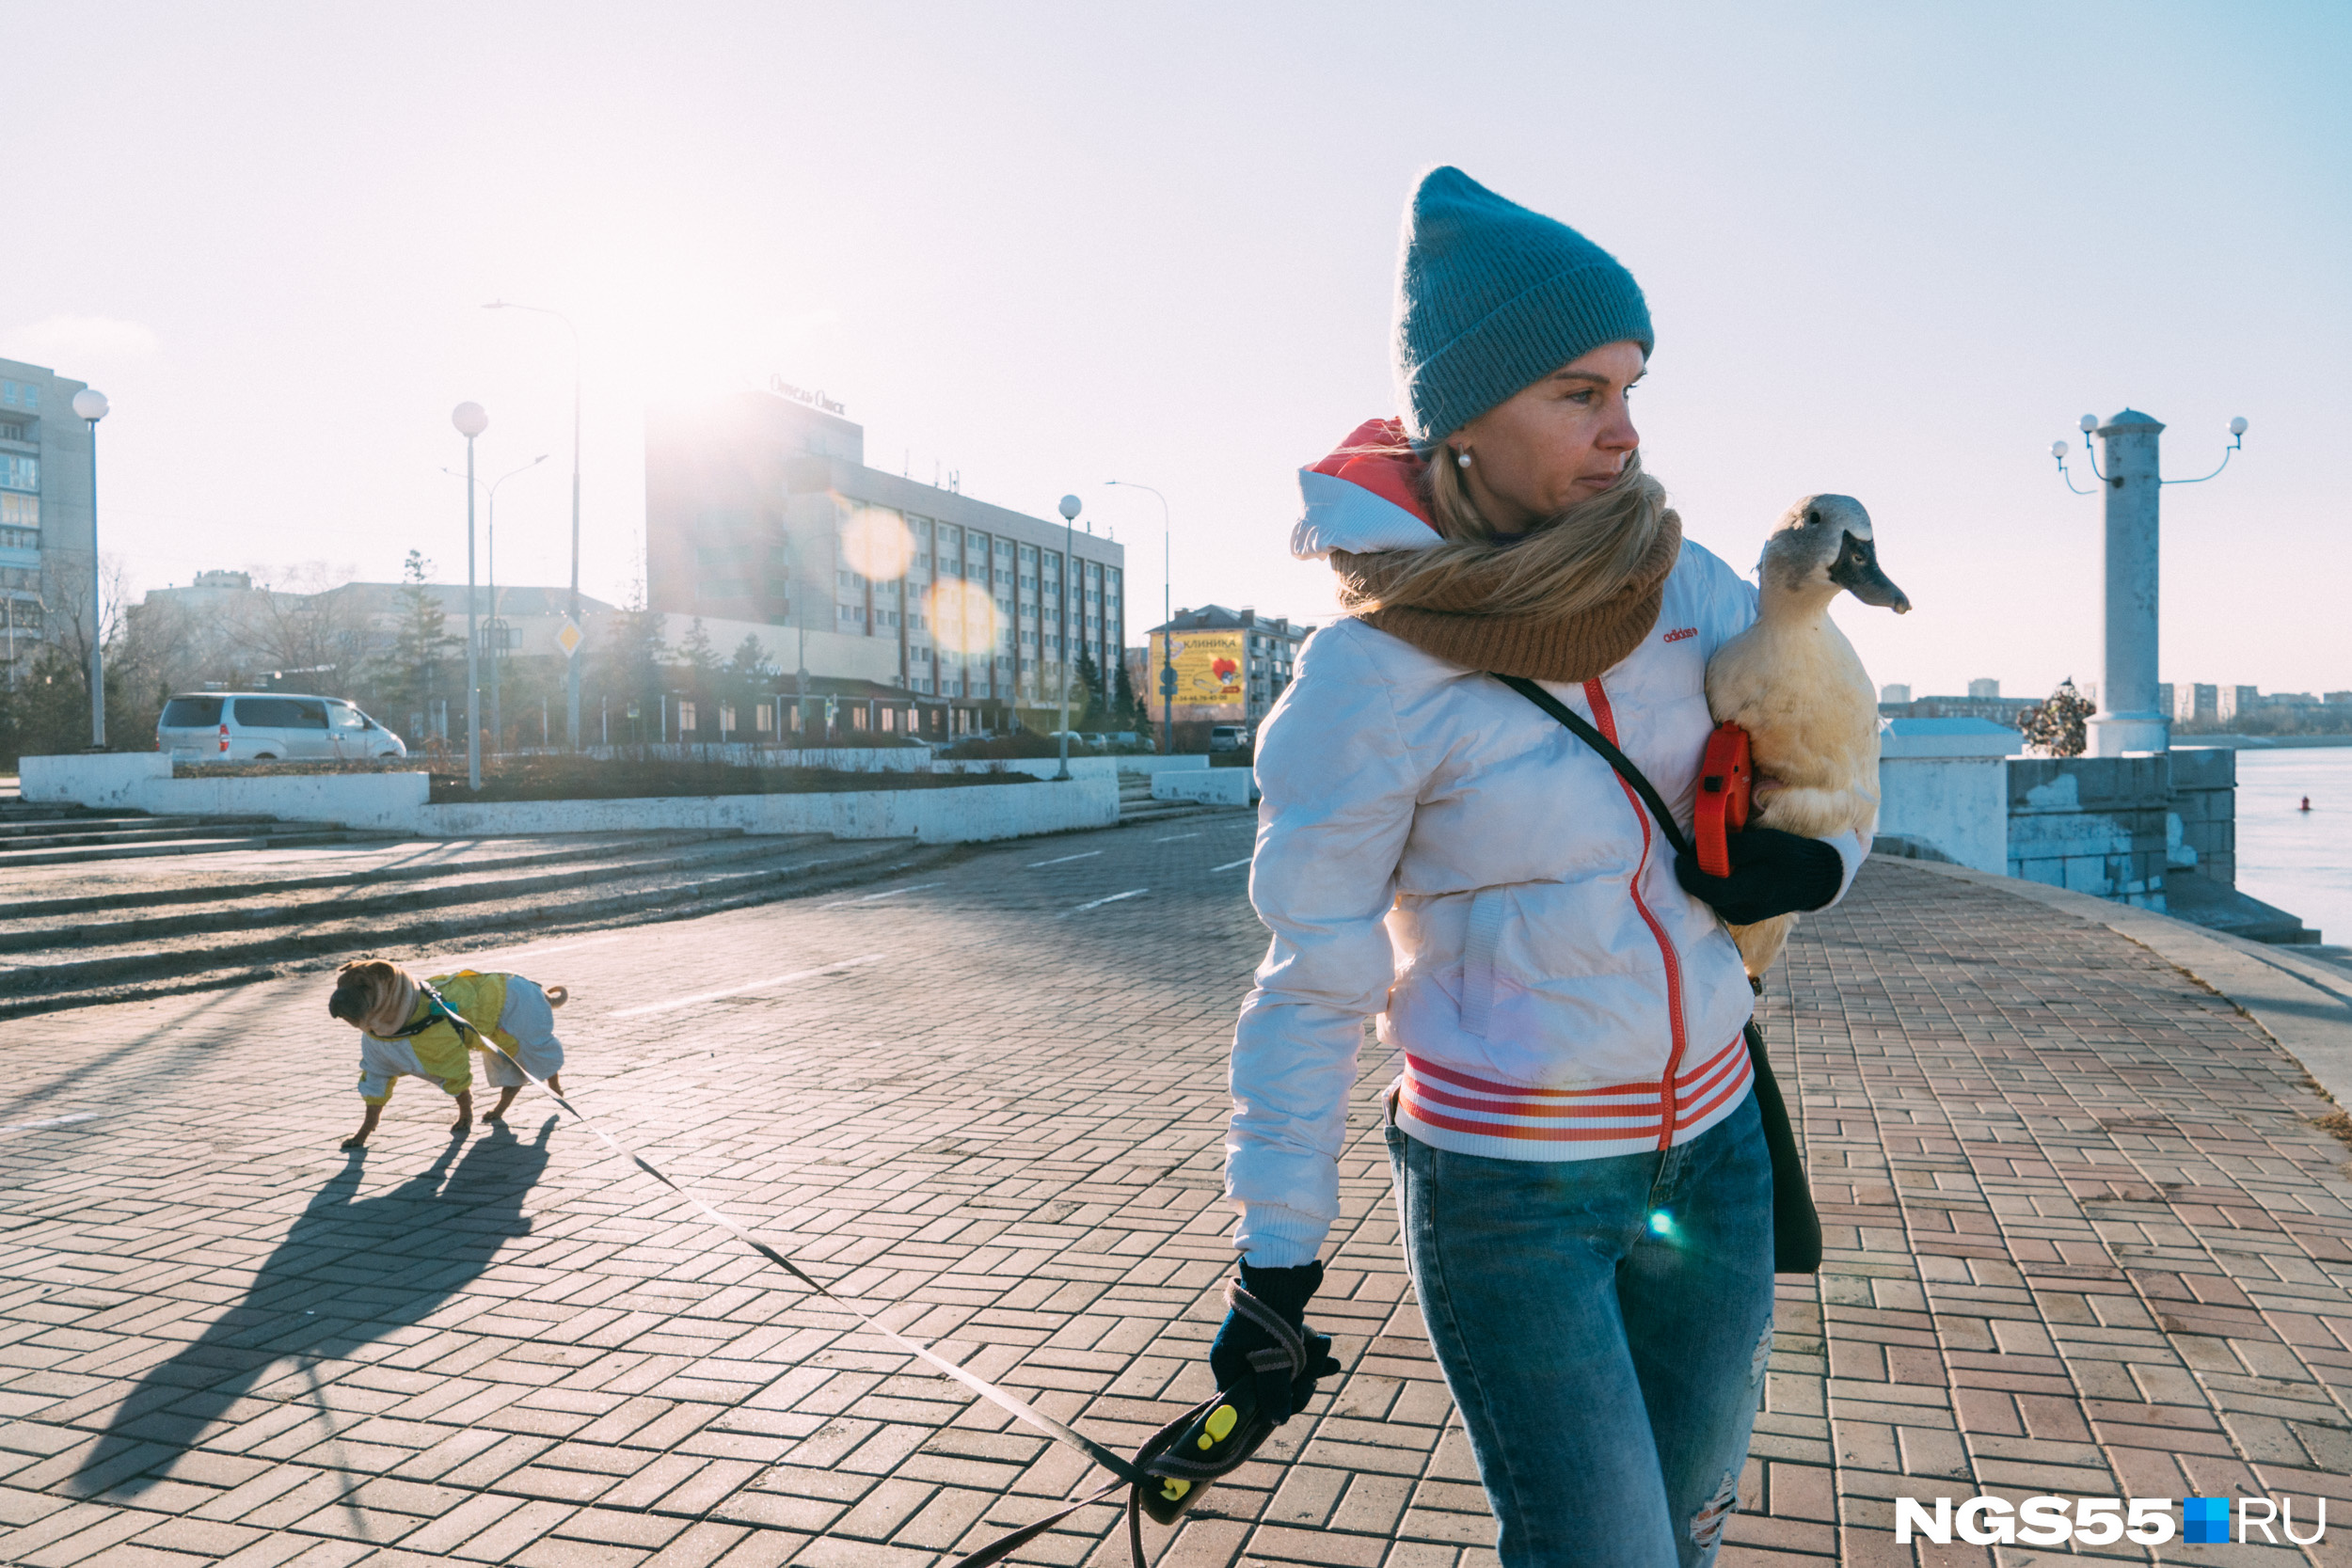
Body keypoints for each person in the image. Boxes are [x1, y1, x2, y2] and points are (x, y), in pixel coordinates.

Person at [1212, 167, 1867, 1567]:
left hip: (1721, 1153)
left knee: (1687, 1533)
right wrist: (1278, 1258)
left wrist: (1816, 871)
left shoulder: (1691, 590)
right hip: (1512, 1193)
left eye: (1634, 387)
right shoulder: (1368, 674)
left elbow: (1837, 771)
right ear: (1460, 415)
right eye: (1579, 394)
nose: (1626, 435)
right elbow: (1311, 971)